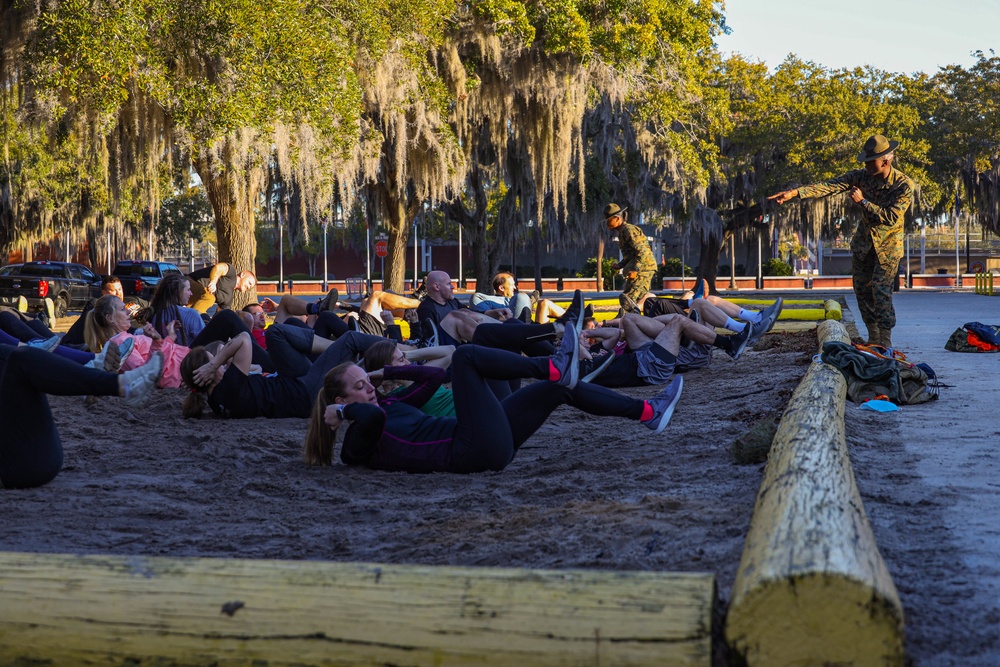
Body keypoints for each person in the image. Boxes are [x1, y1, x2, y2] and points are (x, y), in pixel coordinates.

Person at [303, 318, 685, 473]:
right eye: (359, 386)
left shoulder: (389, 403)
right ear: (341, 401)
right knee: (468, 355)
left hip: (484, 443)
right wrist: (344, 414)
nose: (368, 388)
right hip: (472, 450)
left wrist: (386, 371)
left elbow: (431, 380)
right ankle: (551, 364)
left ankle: (648, 411)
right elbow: (368, 419)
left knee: (556, 391)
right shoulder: (356, 440)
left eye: (365, 380)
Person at [768, 134, 914, 348]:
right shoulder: (861, 177)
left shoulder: (903, 185)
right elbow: (830, 185)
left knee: (881, 293)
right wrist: (796, 193)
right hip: (864, 246)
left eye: (869, 161)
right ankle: (873, 339)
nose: (866, 165)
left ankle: (885, 341)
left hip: (887, 250)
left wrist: (862, 201)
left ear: (885, 160)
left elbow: (891, 217)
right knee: (862, 292)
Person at [0, 345, 163, 489]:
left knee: (8, 354)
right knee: (21, 359)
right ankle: (122, 386)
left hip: (31, 454)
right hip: (19, 465)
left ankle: (97, 379)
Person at [180, 328, 384, 419]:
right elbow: (243, 338)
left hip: (294, 386)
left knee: (276, 333)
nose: (220, 364)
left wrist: (214, 365)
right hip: (304, 394)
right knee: (350, 339)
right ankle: (402, 351)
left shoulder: (217, 400)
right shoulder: (229, 387)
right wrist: (214, 363)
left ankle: (341, 351)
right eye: (213, 362)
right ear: (205, 374)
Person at [361, 339, 457, 416]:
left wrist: (406, 355)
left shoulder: (420, 376)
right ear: (386, 370)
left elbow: (451, 351)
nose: (408, 363)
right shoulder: (401, 397)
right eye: (401, 360)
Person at [604, 202, 657, 316]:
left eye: (609, 220)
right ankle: (627, 322)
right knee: (632, 298)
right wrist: (620, 265)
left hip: (644, 268)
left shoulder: (629, 230)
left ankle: (623, 322)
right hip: (638, 267)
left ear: (617, 219)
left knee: (629, 299)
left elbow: (642, 252)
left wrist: (636, 270)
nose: (607, 224)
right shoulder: (622, 233)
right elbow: (630, 255)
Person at [146, 273, 206, 346]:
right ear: (178, 292)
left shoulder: (156, 315)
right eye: (188, 290)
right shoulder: (190, 314)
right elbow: (206, 342)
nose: (191, 293)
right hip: (189, 356)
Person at [186, 262, 257, 313]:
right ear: (243, 275)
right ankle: (194, 320)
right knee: (210, 298)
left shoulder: (228, 299)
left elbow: (221, 314)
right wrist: (213, 282)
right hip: (188, 283)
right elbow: (218, 267)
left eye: (251, 286)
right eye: (249, 283)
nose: (249, 286)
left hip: (192, 301)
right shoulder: (231, 273)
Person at [469, 272, 534, 321]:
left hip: (521, 318)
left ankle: (527, 302)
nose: (515, 288)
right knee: (521, 297)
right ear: (501, 288)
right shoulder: (486, 300)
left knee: (543, 303)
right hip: (510, 325)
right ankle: (528, 302)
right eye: (512, 285)